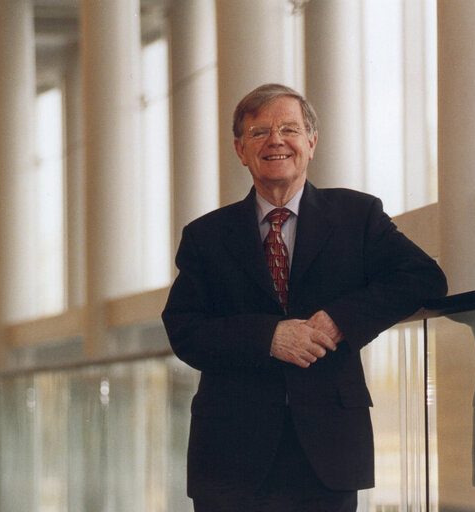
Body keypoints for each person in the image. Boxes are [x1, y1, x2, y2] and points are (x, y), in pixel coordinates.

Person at [162, 83, 448, 512]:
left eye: (289, 129)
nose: (275, 140)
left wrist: (339, 320)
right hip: (230, 454)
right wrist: (268, 337)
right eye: (259, 132)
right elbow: (184, 329)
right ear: (241, 150)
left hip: (328, 452)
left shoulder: (357, 216)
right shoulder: (205, 236)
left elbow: (424, 277)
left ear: (311, 143)